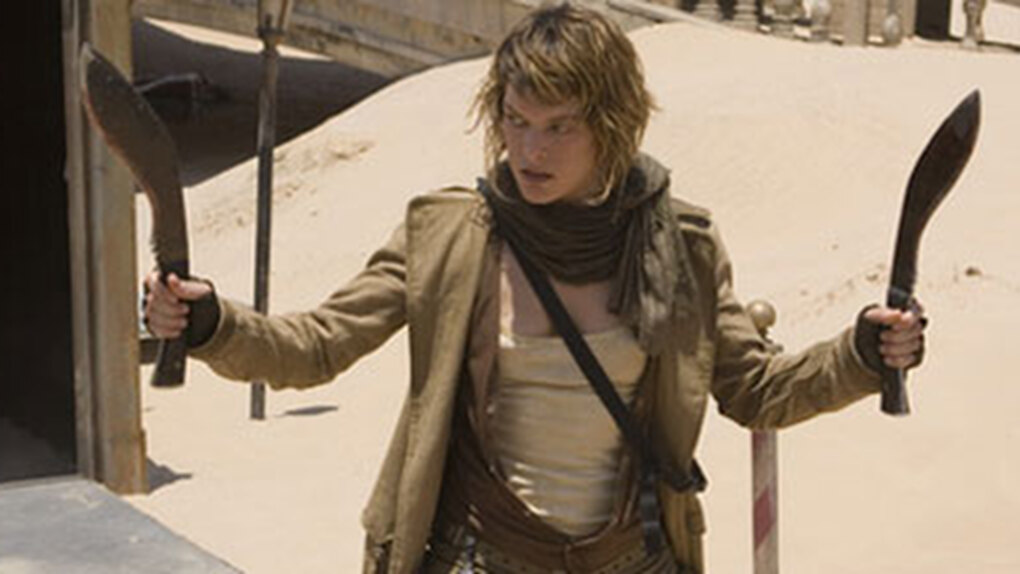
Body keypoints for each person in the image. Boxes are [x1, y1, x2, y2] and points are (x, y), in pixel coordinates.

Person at [143, 3, 926, 573]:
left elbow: (757, 391)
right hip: (481, 555)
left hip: (632, 559)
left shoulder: (678, 249)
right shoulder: (451, 235)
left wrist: (862, 353)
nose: (530, 150)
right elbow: (313, 348)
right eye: (517, 121)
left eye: (559, 127)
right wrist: (211, 324)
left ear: (612, 127)